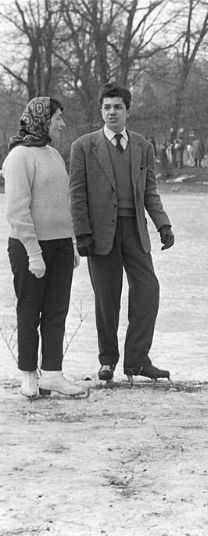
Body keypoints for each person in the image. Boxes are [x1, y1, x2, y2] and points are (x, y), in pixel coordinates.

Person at [69, 82, 174, 384]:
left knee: (148, 290)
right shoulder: (83, 147)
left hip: (134, 230)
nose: (112, 112)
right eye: (107, 107)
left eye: (118, 107)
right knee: (107, 298)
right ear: (100, 111)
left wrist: (163, 224)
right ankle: (107, 361)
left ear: (128, 111)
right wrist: (82, 233)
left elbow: (150, 191)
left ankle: (138, 360)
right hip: (100, 234)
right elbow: (76, 194)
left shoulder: (142, 146)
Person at [3, 97, 88, 398]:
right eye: (58, 118)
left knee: (56, 312)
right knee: (30, 311)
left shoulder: (52, 154)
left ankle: (52, 373)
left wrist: (72, 244)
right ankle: (28, 374)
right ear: (42, 118)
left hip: (61, 246)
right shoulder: (18, 158)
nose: (62, 123)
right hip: (30, 248)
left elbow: (61, 203)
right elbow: (17, 210)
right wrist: (33, 252)